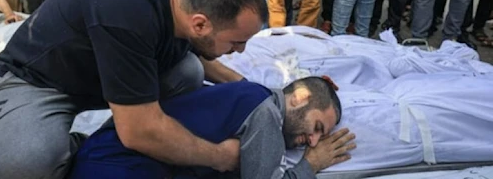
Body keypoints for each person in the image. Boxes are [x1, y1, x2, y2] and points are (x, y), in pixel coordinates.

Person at [0, 0, 266, 179]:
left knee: (189, 70)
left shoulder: (181, 2)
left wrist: (248, 87)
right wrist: (220, 156)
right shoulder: (127, 12)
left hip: (103, 73)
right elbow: (138, 133)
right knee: (19, 165)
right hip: (40, 81)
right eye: (236, 42)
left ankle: (121, 130)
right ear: (200, 24)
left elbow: (200, 53)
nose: (239, 51)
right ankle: (82, 145)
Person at [71, 77, 356, 179]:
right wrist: (311, 165)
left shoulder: (252, 95)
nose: (314, 141)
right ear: (300, 97)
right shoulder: (266, 112)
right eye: (317, 127)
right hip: (116, 168)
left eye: (321, 136)